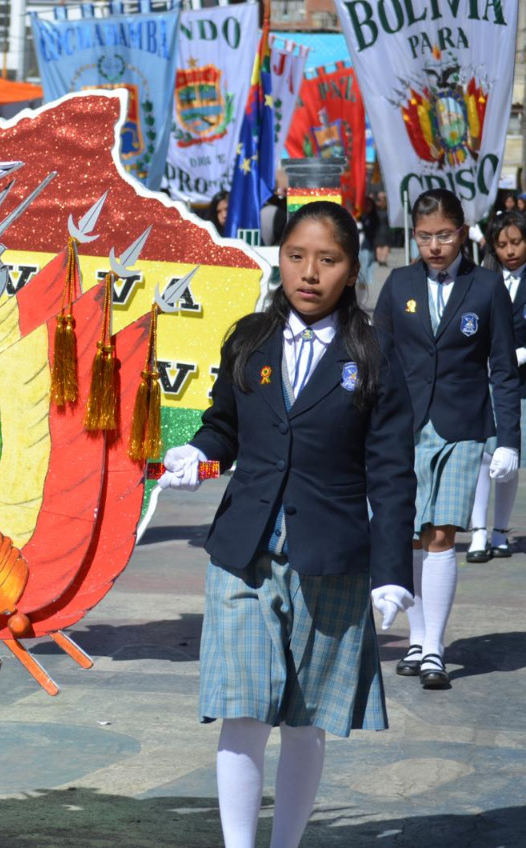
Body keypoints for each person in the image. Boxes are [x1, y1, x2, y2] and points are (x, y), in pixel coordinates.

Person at [160, 200, 416, 848]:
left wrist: (392, 572)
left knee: (306, 721)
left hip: (331, 556)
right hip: (242, 551)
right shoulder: (249, 339)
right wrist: (199, 452)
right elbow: (224, 424)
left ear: (352, 269)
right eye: (297, 256)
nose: (309, 273)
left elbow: (390, 471)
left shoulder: (375, 355)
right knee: (242, 709)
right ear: (280, 258)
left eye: (327, 260)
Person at [372, 188, 521, 690]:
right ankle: (416, 640)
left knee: (443, 534)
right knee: (410, 533)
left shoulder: (485, 287)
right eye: (424, 236)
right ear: (413, 236)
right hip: (405, 427)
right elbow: (379, 363)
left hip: (463, 426)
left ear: (461, 232)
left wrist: (508, 441)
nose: (434, 245)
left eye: (443, 235)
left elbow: (501, 367)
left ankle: (434, 646)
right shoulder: (398, 285)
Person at [466, 209, 526, 562]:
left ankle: (501, 530)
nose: (510, 251)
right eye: (502, 244)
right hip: (484, 380)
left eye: (517, 242)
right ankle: (477, 532)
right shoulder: (484, 279)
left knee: (509, 458)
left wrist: (519, 353)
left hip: (519, 385)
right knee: (483, 457)